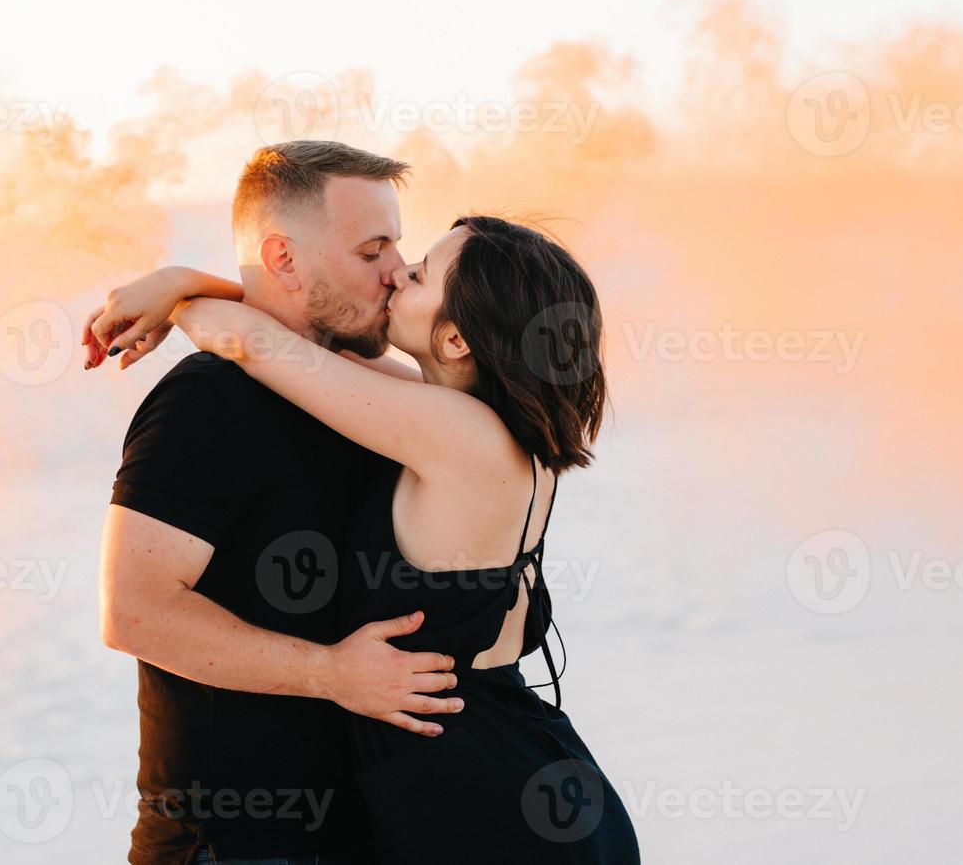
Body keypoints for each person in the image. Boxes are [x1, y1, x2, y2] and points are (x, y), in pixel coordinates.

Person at [93, 202, 640, 861]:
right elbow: (298, 342)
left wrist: (175, 290)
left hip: (489, 817)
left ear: (457, 339)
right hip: (539, 780)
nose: (395, 276)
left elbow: (251, 343)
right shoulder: (486, 428)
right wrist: (184, 286)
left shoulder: (450, 433)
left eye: (418, 275)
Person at [90, 140, 465, 865]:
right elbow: (132, 610)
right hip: (227, 843)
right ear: (285, 259)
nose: (396, 271)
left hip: (356, 833)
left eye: (397, 246)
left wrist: (189, 286)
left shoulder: (358, 384)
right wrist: (330, 673)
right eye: (371, 251)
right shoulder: (206, 401)